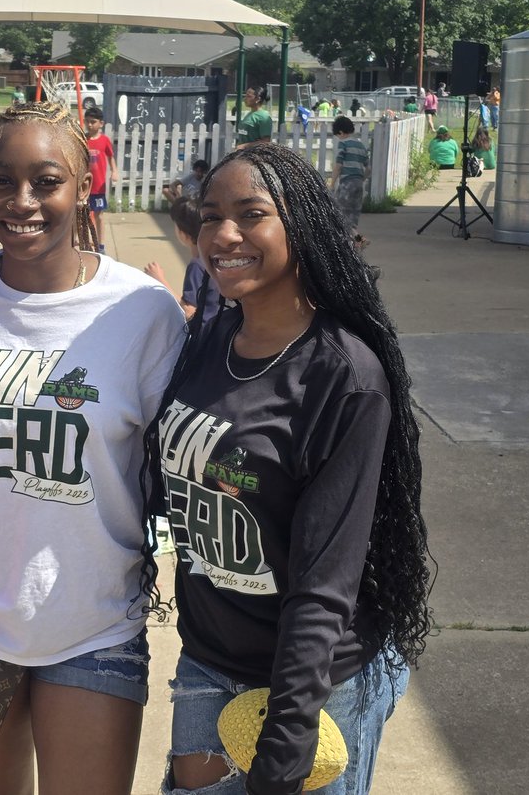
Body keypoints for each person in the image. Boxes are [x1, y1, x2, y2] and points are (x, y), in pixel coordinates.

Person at [0, 100, 185, 795]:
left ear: (84, 185)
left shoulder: (143, 312)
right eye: (1, 181)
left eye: (46, 181)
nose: (23, 201)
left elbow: (174, 457)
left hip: (95, 623)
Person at [150, 141, 432, 795]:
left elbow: (325, 583)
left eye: (252, 215)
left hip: (316, 680)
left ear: (300, 227)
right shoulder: (211, 340)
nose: (224, 235)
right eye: (211, 216)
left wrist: (285, 745)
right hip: (210, 660)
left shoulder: (344, 378)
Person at [144, 195, 222, 324]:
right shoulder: (214, 258)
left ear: (183, 233)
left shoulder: (197, 266)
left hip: (204, 332)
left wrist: (160, 280)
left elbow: (189, 310)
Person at [329, 115, 370, 247]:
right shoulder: (361, 146)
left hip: (347, 184)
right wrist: (361, 179)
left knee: (340, 213)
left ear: (340, 132)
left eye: (337, 135)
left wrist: (332, 183)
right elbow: (368, 168)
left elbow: (338, 165)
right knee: (353, 215)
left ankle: (358, 239)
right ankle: (354, 242)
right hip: (359, 184)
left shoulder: (343, 144)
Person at [82, 105, 117, 253]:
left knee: (99, 216)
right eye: (87, 121)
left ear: (101, 123)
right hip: (84, 186)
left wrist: (114, 171)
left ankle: (101, 246)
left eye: (93, 122)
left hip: (98, 186)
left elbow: (110, 157)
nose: (90, 125)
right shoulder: (83, 139)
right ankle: (86, 243)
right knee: (84, 216)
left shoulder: (104, 140)